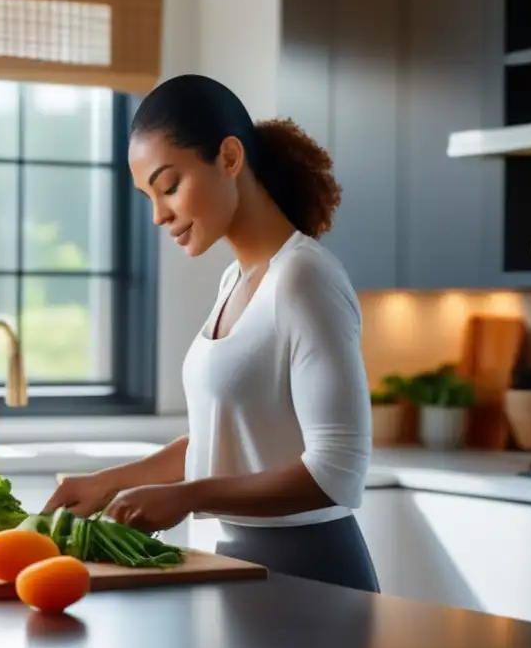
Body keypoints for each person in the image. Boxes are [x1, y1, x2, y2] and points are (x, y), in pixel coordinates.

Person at [43, 73, 379, 593]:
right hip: (229, 568)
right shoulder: (237, 279)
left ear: (228, 157)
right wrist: (110, 482)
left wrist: (189, 497)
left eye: (169, 185)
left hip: (308, 573)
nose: (158, 215)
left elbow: (336, 472)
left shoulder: (305, 277)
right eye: (148, 196)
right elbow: (225, 438)